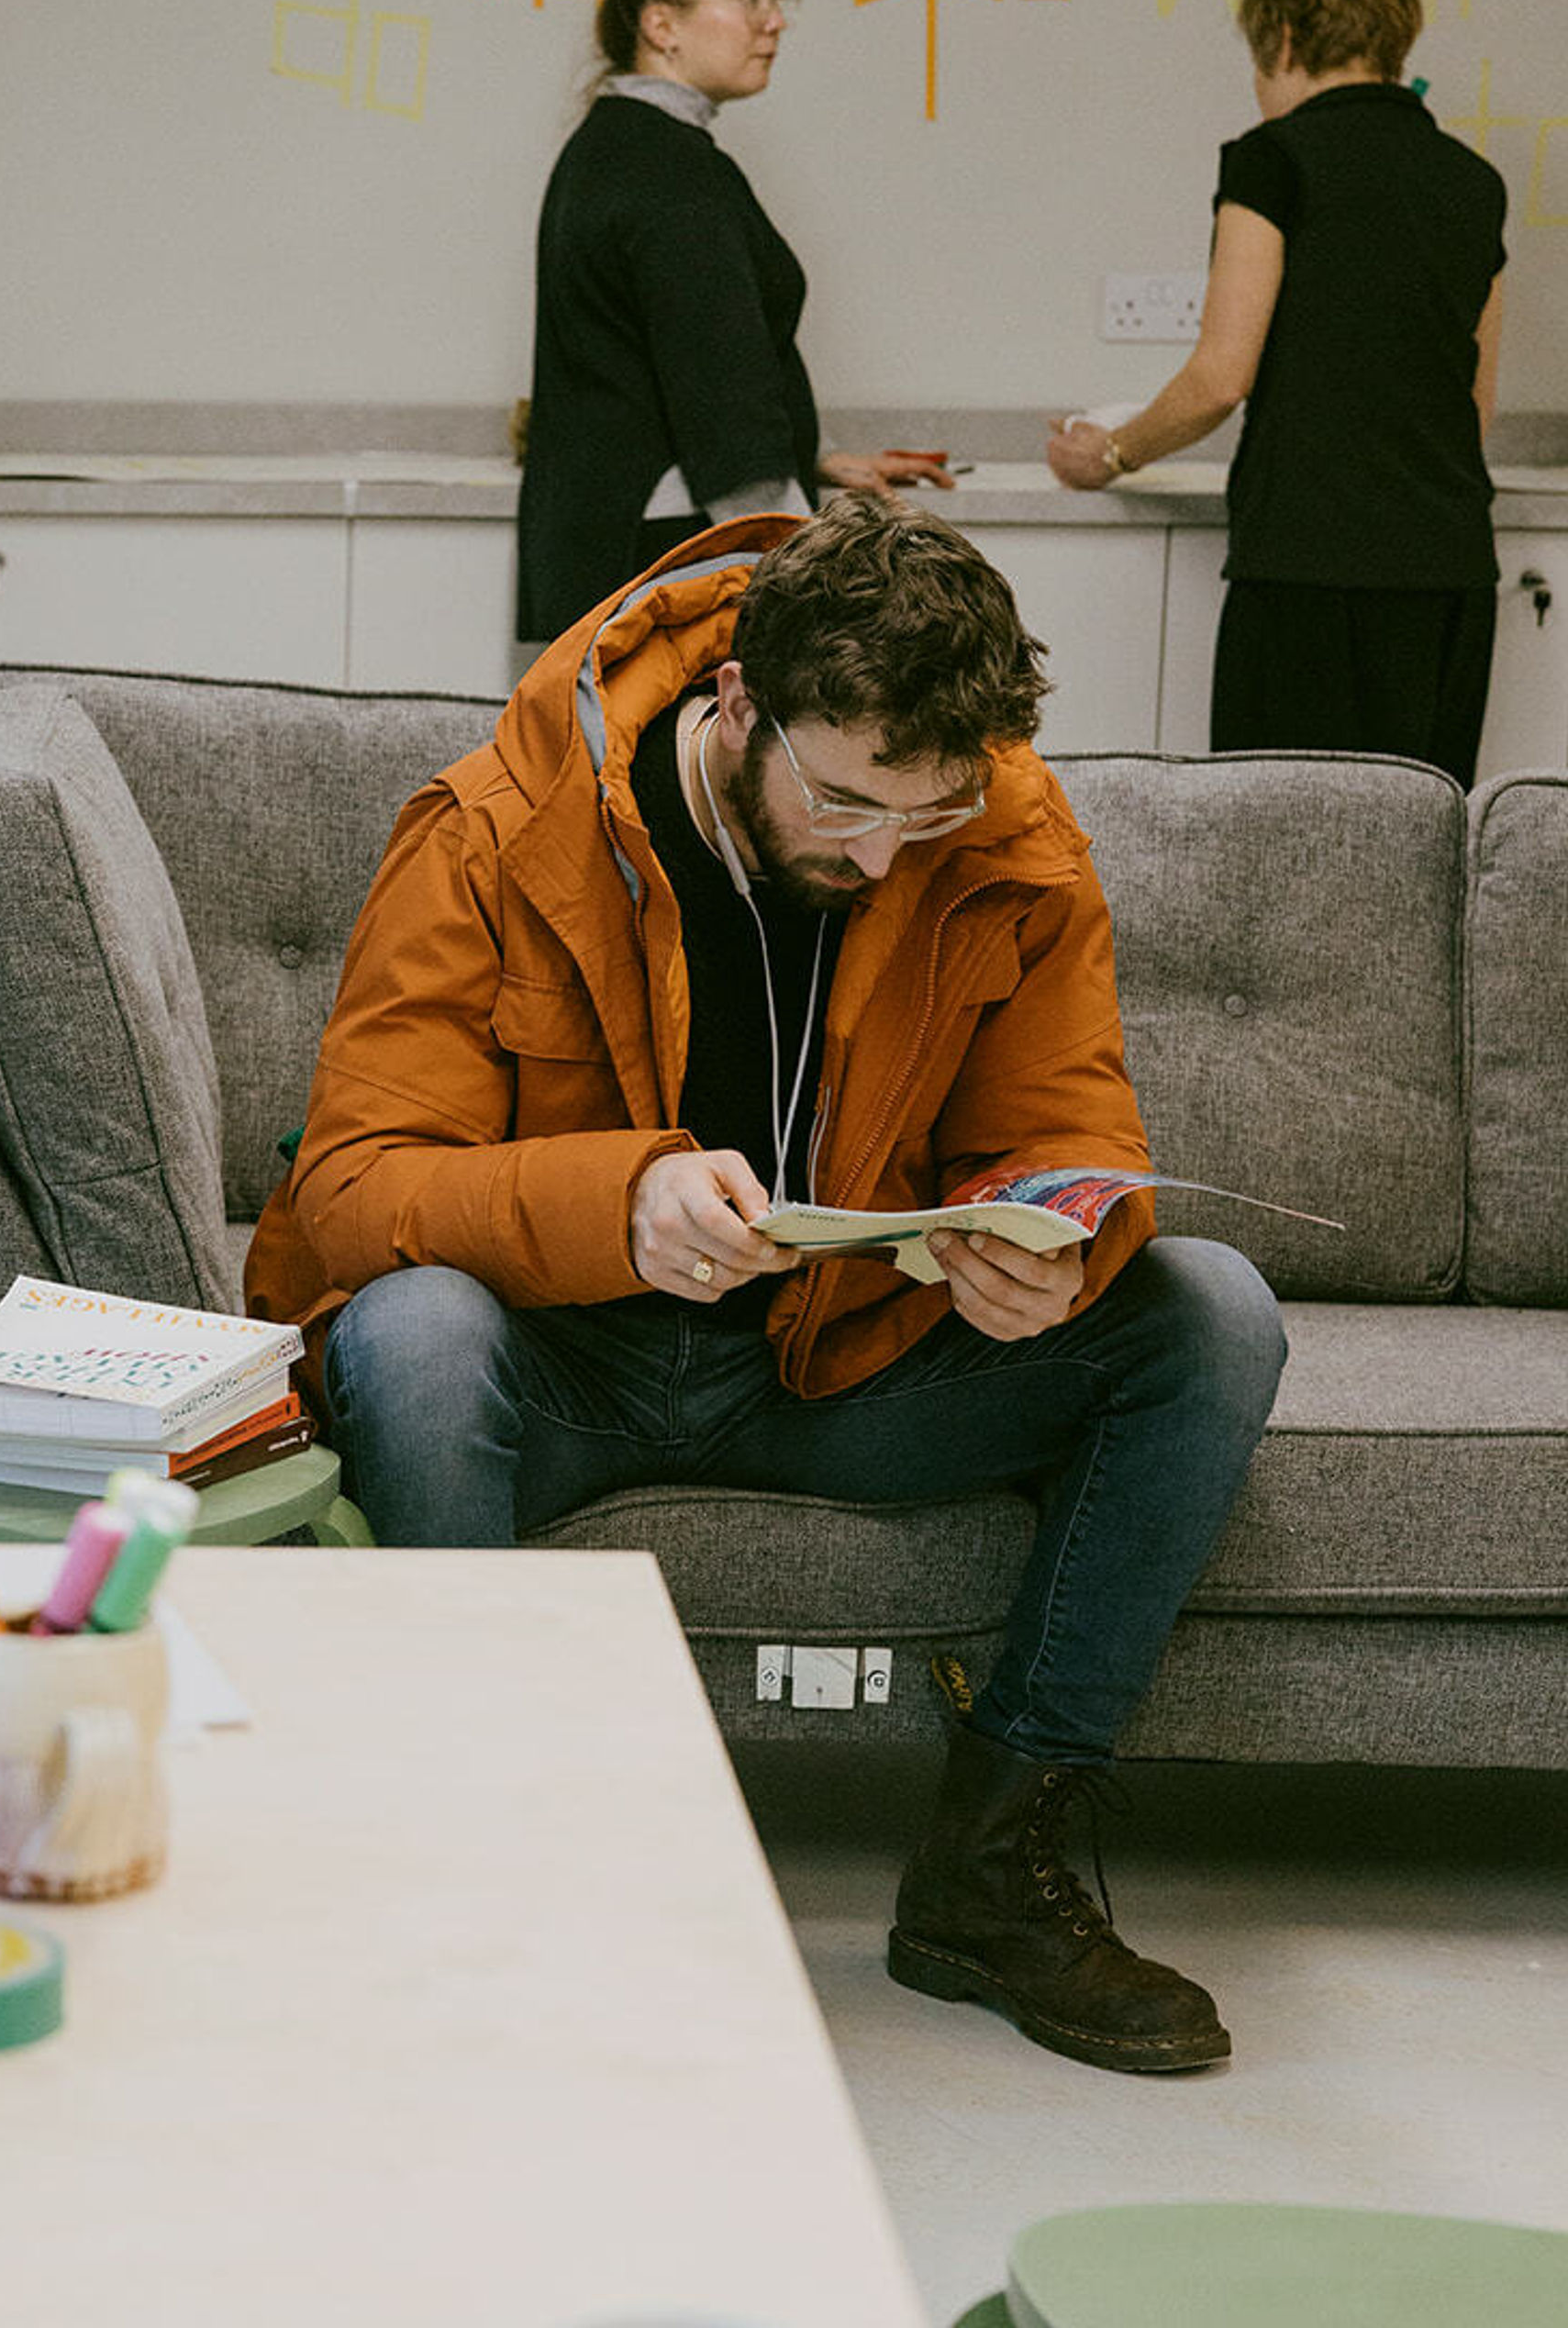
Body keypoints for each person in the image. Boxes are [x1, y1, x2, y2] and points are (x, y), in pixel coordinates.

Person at [246, 496, 1286, 2077]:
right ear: (737, 700)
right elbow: (353, 1185)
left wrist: (1040, 1243)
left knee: (1212, 1315)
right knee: (412, 1327)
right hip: (559, 1366)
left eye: (924, 814)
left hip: (831, 1365)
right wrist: (625, 1197)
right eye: (848, 797)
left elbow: (1062, 1125)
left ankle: (986, 1872)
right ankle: (479, 1875)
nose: (880, 854)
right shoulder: (495, 824)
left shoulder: (1006, 837)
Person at [1048, 0, 1507, 785]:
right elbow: (1473, 403)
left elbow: (1222, 376)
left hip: (1307, 570)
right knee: (1420, 849)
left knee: (1278, 852)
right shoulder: (1474, 183)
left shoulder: (1272, 160)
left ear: (1286, 40)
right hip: (1450, 575)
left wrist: (1107, 453)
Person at [515, 0, 953, 645]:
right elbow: (721, 400)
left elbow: (653, 369)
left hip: (605, 555)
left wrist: (809, 460)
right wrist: (815, 573)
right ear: (662, 24)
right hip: (668, 565)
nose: (773, 19)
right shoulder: (670, 171)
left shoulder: (610, 145)